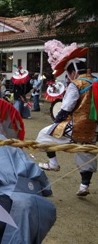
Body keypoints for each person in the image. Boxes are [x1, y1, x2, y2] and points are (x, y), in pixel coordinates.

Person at [36, 40, 97, 196]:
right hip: (94, 128)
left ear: (73, 71)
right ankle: (84, 186)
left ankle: (53, 163)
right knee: (86, 151)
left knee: (44, 134)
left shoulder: (76, 84)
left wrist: (56, 122)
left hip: (75, 126)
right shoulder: (96, 82)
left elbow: (66, 107)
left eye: (68, 73)